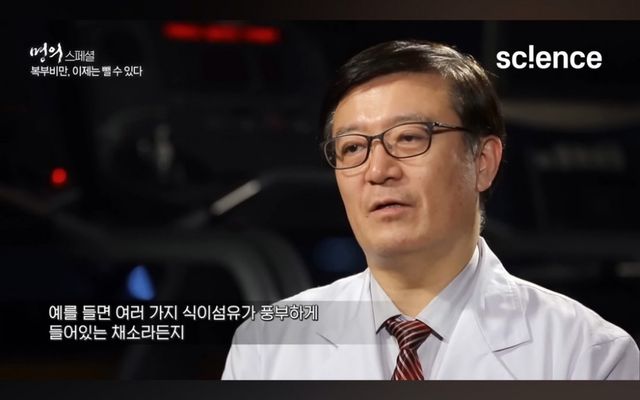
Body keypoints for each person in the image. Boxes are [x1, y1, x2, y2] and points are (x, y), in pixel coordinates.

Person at [221, 40, 640, 380]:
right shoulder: (268, 345)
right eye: (352, 148)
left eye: (409, 138)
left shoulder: (588, 355)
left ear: (483, 162)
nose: (378, 170)